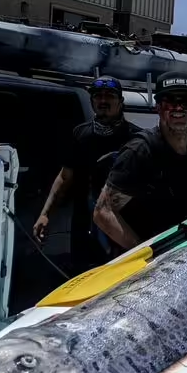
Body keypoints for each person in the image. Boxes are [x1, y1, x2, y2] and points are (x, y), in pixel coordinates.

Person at [93, 72, 187, 250]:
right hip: (148, 256)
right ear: (158, 107)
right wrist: (144, 253)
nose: (178, 109)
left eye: (185, 101)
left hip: (181, 246)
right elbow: (103, 212)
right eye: (169, 102)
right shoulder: (140, 152)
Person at [33, 76, 142, 270]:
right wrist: (45, 214)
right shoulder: (80, 134)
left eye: (109, 96)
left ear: (121, 101)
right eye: (98, 96)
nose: (103, 101)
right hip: (84, 227)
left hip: (123, 228)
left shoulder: (137, 138)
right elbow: (65, 177)